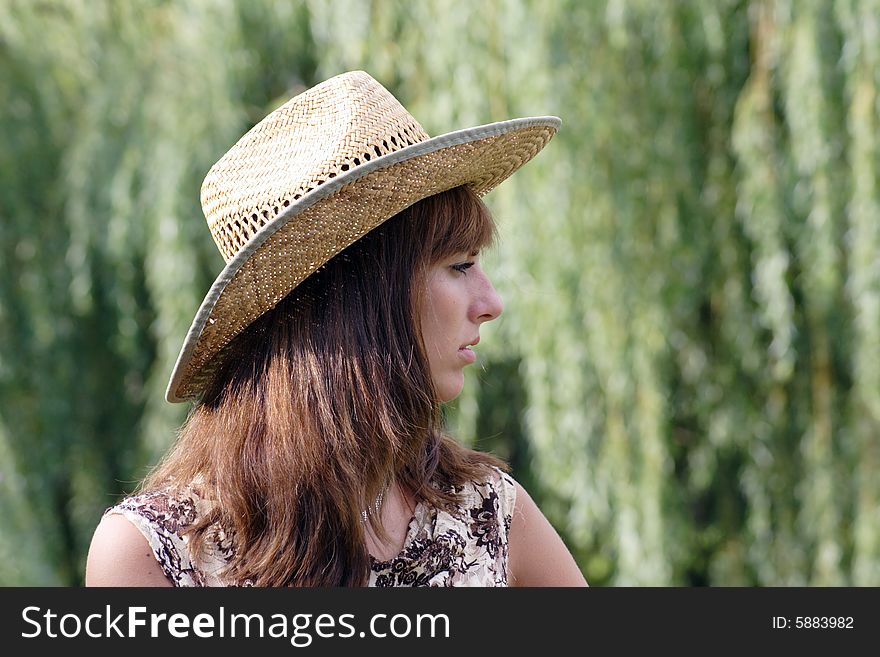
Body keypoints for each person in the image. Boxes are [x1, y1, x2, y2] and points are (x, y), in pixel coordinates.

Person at [85, 70, 587, 587]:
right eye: (460, 265)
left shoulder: (485, 513)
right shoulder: (157, 555)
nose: (491, 303)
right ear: (359, 298)